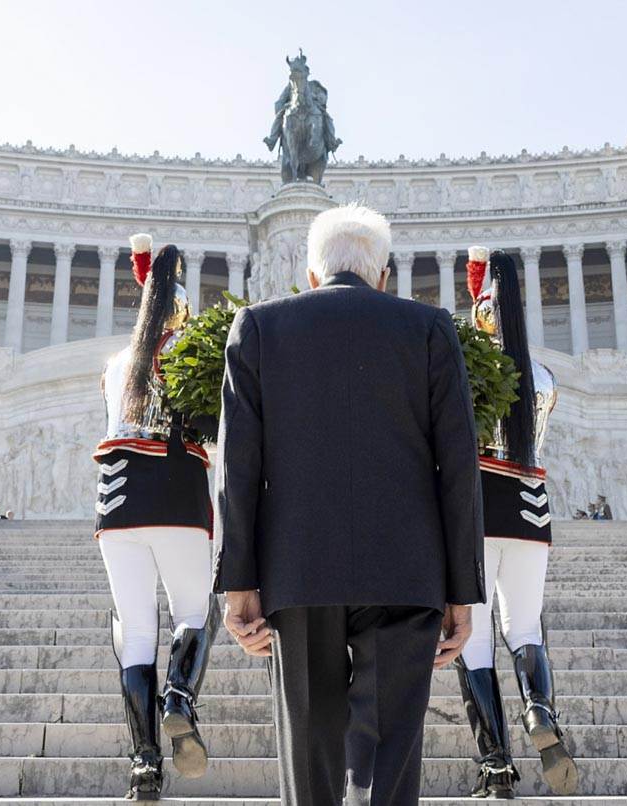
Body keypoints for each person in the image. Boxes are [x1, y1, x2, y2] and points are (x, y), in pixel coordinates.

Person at [214, 205, 484, 806]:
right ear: (382, 276)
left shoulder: (257, 328)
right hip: (406, 570)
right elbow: (459, 466)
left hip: (298, 568)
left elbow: (238, 467)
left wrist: (239, 582)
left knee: (309, 755)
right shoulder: (430, 328)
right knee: (390, 762)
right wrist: (462, 590)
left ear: (312, 276)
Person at [92, 234, 218, 800]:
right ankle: (178, 699)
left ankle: (144, 766)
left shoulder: (116, 363)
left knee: (134, 631)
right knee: (195, 612)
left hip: (115, 502)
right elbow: (214, 436)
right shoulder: (194, 354)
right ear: (184, 309)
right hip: (175, 495)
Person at [454, 248, 576, 799]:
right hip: (531, 514)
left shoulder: (467, 373)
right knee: (525, 629)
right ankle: (539, 710)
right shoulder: (545, 377)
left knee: (473, 642)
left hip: (478, 515)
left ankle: (496, 765)